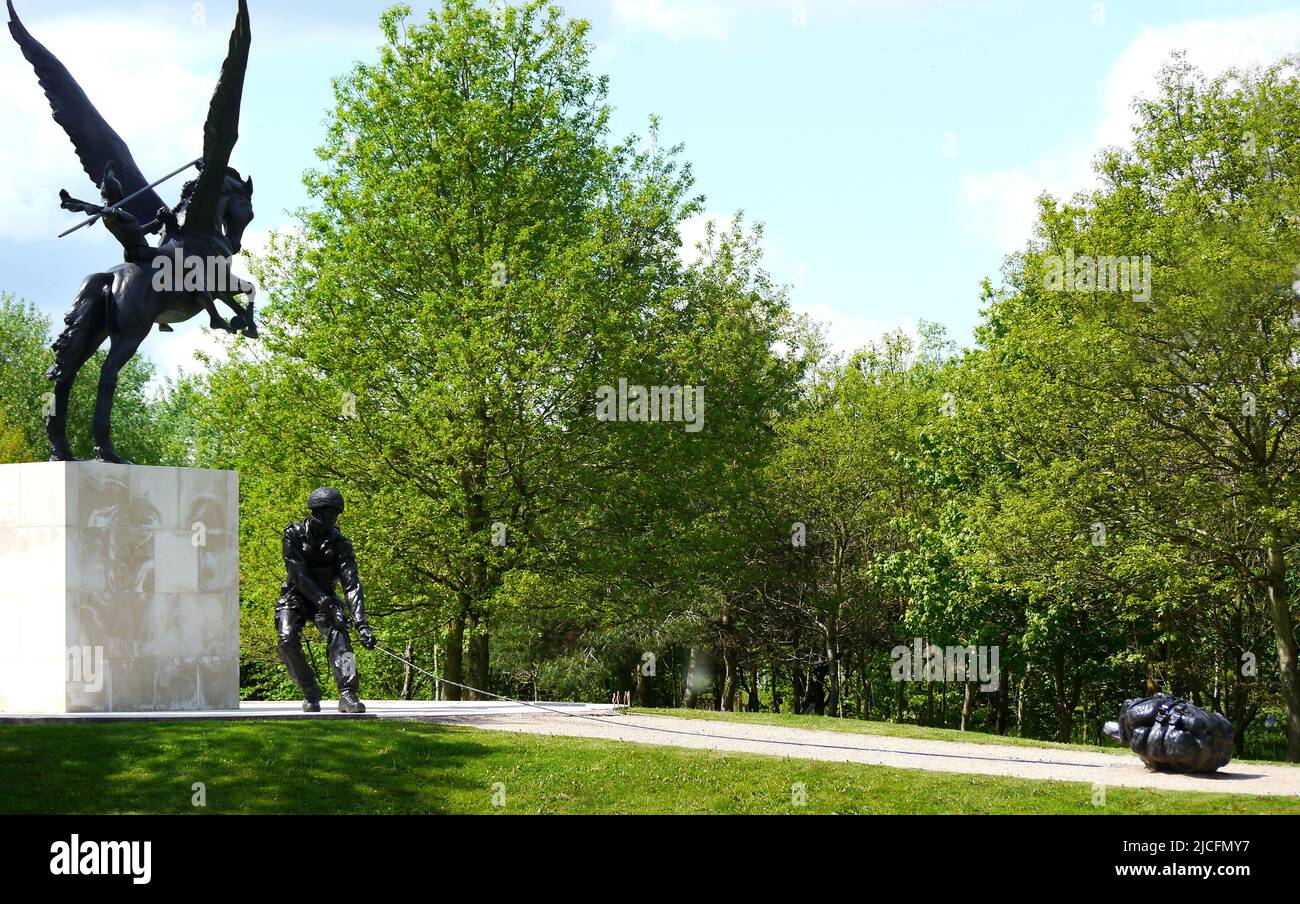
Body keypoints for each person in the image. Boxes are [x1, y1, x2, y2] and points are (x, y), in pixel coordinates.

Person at [276, 487, 376, 713]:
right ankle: (309, 690)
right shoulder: (294, 534)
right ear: (315, 513)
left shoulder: (341, 544)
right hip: (296, 595)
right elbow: (297, 573)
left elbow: (352, 584)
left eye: (336, 513)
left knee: (342, 639)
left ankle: (348, 693)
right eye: (328, 513)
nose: (333, 518)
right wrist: (324, 602)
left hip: (327, 599)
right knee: (286, 639)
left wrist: (362, 625)